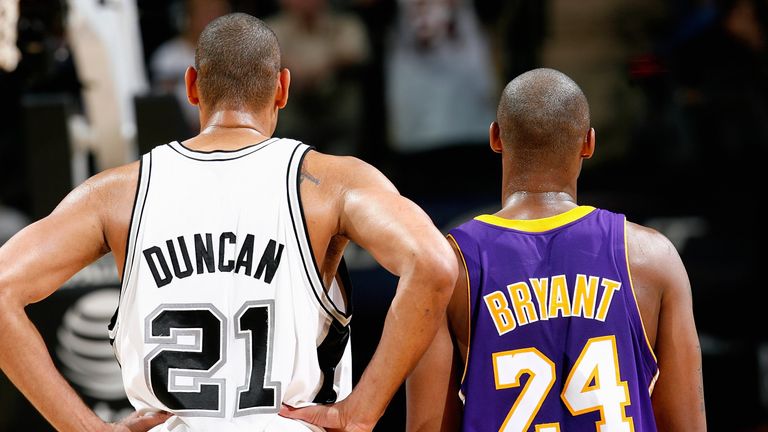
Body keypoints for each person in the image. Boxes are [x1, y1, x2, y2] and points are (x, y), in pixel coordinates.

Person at [0, 12, 457, 432]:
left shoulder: (116, 193)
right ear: (282, 87)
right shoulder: (331, 183)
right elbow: (434, 264)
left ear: (192, 85)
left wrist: (86, 429)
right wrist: (362, 411)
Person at [405, 68, 706, 431]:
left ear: (496, 137)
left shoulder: (449, 265)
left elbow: (426, 427)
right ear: (589, 143)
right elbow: (686, 424)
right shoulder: (652, 257)